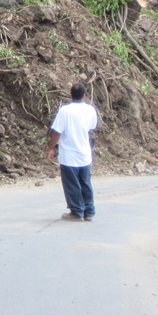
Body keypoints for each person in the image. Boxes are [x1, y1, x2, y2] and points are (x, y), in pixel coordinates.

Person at [46, 82, 99, 221]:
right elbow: (91, 127)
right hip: (84, 153)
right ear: (84, 95)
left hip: (69, 154)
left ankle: (76, 211)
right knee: (85, 182)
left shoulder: (65, 111)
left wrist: (51, 148)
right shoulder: (90, 110)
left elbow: (57, 132)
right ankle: (89, 211)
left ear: (71, 94)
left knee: (72, 184)